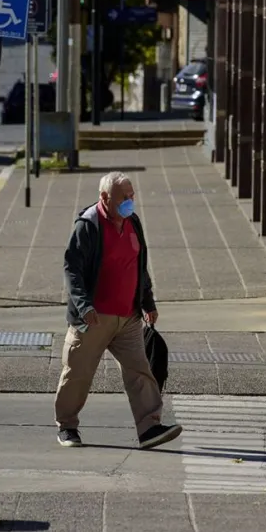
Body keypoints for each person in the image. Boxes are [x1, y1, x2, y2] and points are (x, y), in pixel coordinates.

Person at [55, 171, 183, 450]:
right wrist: (84, 306)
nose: (130, 201)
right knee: (77, 373)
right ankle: (67, 426)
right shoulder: (88, 225)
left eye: (132, 195)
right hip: (94, 318)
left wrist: (147, 302)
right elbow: (72, 271)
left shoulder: (132, 222)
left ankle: (150, 427)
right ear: (105, 197)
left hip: (128, 317)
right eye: (125, 197)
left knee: (140, 371)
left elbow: (138, 266)